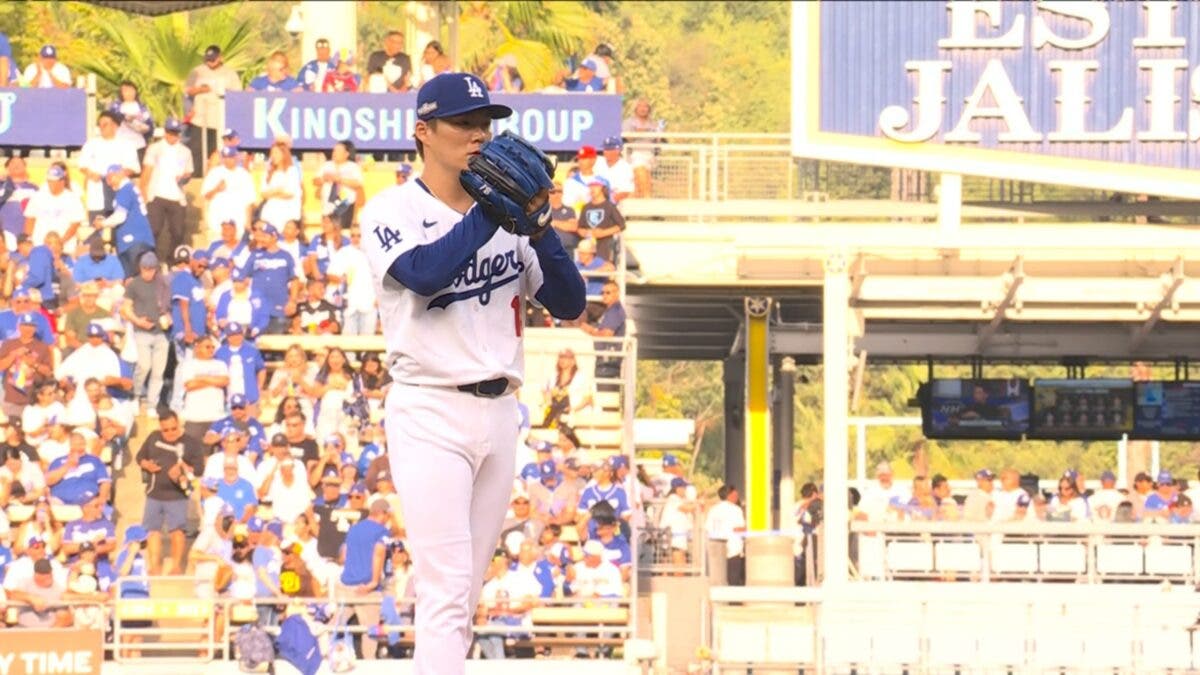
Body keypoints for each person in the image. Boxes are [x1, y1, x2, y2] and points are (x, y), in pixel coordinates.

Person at [359, 72, 586, 674]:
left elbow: (569, 303)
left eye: (485, 123)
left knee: (464, 593)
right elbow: (426, 273)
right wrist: (492, 212)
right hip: (429, 407)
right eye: (463, 123)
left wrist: (539, 228)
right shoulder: (393, 209)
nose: (478, 135)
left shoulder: (509, 218)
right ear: (423, 132)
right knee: (446, 586)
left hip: (499, 412)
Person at [135, 411, 203, 574]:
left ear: (178, 423)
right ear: (161, 427)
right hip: (154, 492)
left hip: (177, 494)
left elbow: (199, 469)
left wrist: (183, 469)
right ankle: (154, 566)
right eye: (166, 430)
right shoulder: (153, 437)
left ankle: (176, 566)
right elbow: (140, 457)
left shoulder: (191, 443)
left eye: (173, 428)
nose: (170, 433)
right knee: (152, 531)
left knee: (177, 531)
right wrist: (147, 465)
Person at [121, 252, 171, 415]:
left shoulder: (162, 284)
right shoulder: (134, 284)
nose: (148, 272)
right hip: (142, 331)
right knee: (143, 366)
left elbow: (169, 306)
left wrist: (168, 318)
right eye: (145, 269)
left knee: (158, 371)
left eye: (151, 269)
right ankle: (135, 397)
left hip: (161, 332)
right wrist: (138, 321)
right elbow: (126, 308)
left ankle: (151, 404)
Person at [184, 45, 242, 176]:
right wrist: (201, 90)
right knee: (197, 150)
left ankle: (216, 176)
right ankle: (197, 178)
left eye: (213, 59)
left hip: (220, 120)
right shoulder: (197, 72)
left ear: (220, 58)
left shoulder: (230, 74)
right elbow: (188, 90)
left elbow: (237, 94)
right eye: (208, 59)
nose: (210, 62)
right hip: (200, 119)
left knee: (218, 151)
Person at [140, 117, 193, 263]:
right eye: (170, 132)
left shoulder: (185, 151)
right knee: (154, 230)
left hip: (176, 196)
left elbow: (189, 172)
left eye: (175, 133)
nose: (172, 136)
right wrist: (143, 193)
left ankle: (171, 261)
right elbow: (147, 171)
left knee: (178, 232)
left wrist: (184, 177)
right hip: (157, 194)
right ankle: (151, 260)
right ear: (165, 132)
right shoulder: (155, 149)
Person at [93, 165, 155, 276]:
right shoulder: (129, 189)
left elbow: (120, 216)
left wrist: (102, 224)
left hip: (134, 242)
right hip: (133, 242)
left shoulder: (125, 190)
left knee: (135, 279)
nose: (108, 183)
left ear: (119, 175)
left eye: (110, 178)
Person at [78, 112, 139, 224]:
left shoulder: (126, 145)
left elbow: (133, 168)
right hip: (97, 195)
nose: (102, 128)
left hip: (119, 194)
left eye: (105, 124)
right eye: (100, 125)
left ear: (115, 126)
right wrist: (91, 174)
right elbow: (82, 165)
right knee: (97, 232)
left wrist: (117, 176)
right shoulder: (91, 144)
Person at [202, 146, 257, 241]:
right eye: (225, 157)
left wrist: (248, 222)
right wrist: (217, 189)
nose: (228, 160)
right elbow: (206, 196)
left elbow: (249, 200)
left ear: (236, 157)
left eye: (231, 157)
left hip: (238, 220)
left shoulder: (244, 174)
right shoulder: (214, 173)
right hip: (217, 221)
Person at [24, 164, 85, 246]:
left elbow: (75, 225)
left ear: (62, 181)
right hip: (39, 245)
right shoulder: (37, 196)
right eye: (49, 181)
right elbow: (30, 220)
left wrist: (61, 243)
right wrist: (29, 241)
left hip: (64, 247)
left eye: (54, 181)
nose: (51, 184)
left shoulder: (73, 198)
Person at [704, 484, 746, 585]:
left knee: (719, 581)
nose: (737, 496)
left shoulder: (713, 509)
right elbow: (739, 528)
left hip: (717, 549)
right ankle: (733, 600)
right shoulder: (736, 509)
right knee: (733, 581)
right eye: (735, 493)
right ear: (730, 494)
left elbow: (707, 528)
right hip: (733, 549)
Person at [577, 177, 625, 264]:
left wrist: (603, 233)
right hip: (588, 248)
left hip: (605, 246)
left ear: (603, 188)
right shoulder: (586, 207)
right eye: (591, 186)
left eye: (595, 186)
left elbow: (621, 225)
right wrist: (589, 233)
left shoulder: (610, 206)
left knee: (605, 269)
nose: (592, 189)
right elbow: (580, 228)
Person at [259, 139, 303, 229]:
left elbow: (290, 193)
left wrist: (272, 193)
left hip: (287, 216)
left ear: (284, 154)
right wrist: (277, 190)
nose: (273, 156)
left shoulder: (292, 171)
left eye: (276, 153)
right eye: (272, 153)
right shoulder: (268, 173)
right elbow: (263, 193)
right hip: (270, 215)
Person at [108, 81, 154, 160]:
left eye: (131, 90)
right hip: (120, 146)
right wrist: (126, 117)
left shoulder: (142, 108)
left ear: (135, 91)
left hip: (138, 146)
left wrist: (143, 128)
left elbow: (150, 126)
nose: (129, 93)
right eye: (125, 90)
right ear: (121, 93)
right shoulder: (116, 106)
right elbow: (113, 116)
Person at [0, 156, 38, 243]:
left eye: (19, 163)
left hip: (24, 237)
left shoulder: (34, 188)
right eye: (13, 163)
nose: (16, 165)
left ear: (25, 167)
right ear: (7, 168)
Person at [594, 136, 634, 204]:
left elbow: (627, 192)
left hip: (616, 203)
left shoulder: (626, 168)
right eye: (605, 149)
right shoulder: (597, 161)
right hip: (595, 198)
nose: (607, 152)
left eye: (610, 149)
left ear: (618, 150)